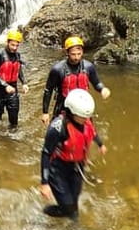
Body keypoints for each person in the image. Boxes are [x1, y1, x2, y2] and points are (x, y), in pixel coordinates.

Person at [40, 88, 107, 219]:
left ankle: (72, 221)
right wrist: (44, 183)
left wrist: (100, 144)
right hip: (58, 169)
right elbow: (46, 153)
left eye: (86, 116)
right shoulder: (58, 127)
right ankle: (43, 214)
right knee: (68, 207)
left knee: (74, 204)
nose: (85, 119)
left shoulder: (86, 121)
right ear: (71, 112)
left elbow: (92, 132)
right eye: (81, 116)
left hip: (76, 167)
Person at [41, 36, 111, 126]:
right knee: (59, 136)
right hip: (64, 107)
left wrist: (102, 89)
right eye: (73, 54)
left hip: (83, 107)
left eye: (79, 53)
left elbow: (96, 83)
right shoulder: (57, 69)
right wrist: (45, 112)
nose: (76, 57)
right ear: (67, 53)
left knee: (86, 135)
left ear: (82, 52)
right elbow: (48, 90)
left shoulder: (88, 67)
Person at [0, 29, 29, 126]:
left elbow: (18, 69)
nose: (15, 48)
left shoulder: (17, 55)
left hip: (13, 90)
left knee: (14, 118)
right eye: (12, 45)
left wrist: (24, 83)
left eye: (17, 45)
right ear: (7, 42)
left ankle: (13, 136)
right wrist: (5, 85)